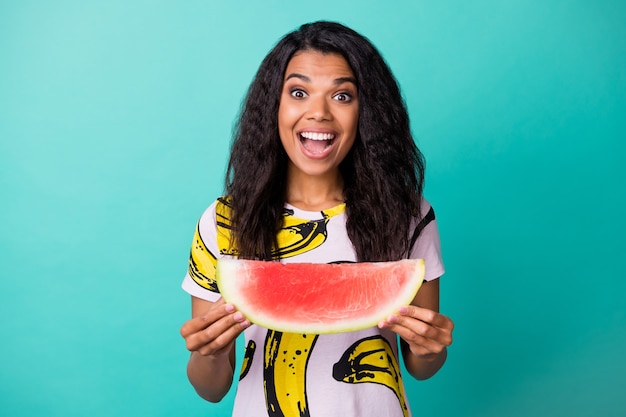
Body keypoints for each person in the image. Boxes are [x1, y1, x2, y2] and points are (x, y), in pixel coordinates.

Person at [180, 21, 454, 417]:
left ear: (367, 111)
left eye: (342, 95)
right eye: (298, 92)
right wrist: (211, 353)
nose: (319, 112)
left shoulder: (410, 215)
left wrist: (431, 348)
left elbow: (420, 366)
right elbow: (210, 389)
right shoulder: (224, 221)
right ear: (274, 104)